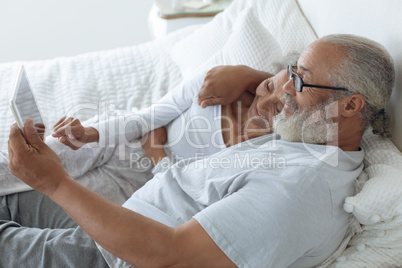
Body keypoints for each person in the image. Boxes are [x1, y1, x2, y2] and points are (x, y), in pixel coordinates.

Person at [1, 34, 395, 267]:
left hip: (119, 255)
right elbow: (281, 95)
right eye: (289, 72)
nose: (285, 87)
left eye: (300, 80)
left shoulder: (303, 189)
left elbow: (171, 255)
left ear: (351, 106)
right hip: (122, 220)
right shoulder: (307, 135)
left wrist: (55, 184)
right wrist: (250, 76)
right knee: (9, 197)